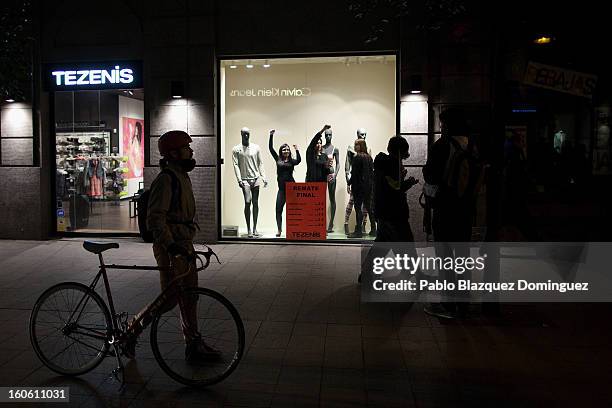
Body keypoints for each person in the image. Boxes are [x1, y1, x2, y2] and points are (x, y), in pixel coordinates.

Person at [124, 130, 219, 362]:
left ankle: (193, 343)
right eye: (187, 147)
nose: (192, 151)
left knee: (190, 296)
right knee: (169, 298)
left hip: (183, 244)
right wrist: (171, 245)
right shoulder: (166, 179)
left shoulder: (181, 176)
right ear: (174, 153)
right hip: (171, 247)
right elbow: (155, 218)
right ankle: (131, 331)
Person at [423, 107, 480, 319]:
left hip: (445, 208)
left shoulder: (443, 145)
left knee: (445, 257)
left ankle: (448, 304)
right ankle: (463, 302)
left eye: (442, 123)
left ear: (447, 124)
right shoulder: (472, 145)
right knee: (462, 256)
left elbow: (431, 175)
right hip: (466, 208)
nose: (440, 127)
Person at [232, 127, 267, 238]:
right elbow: (235, 165)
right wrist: (239, 179)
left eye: (247, 134)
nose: (246, 136)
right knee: (248, 201)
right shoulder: (236, 149)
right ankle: (248, 229)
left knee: (255, 203)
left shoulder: (256, 148)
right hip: (245, 179)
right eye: (244, 134)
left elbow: (260, 163)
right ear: (241, 134)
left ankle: (254, 228)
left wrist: (263, 177)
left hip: (256, 178)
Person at [268, 129, 301, 237]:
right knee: (278, 210)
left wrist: (297, 150)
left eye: (287, 149)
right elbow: (270, 149)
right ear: (281, 151)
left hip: (292, 188)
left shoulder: (292, 161)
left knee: (295, 210)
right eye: (284, 150)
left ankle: (295, 229)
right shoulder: (278, 159)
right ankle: (279, 230)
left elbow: (299, 160)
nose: (286, 151)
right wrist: (271, 136)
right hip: (282, 189)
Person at [344, 128, 375, 236]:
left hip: (358, 186)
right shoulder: (369, 157)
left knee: (358, 208)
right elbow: (372, 173)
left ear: (360, 146)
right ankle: (373, 229)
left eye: (356, 145)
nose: (354, 146)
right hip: (368, 186)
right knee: (369, 207)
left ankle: (358, 231)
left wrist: (349, 183)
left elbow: (354, 173)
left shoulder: (357, 158)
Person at [322, 127, 340, 233]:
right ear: (324, 136)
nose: (328, 136)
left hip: (331, 174)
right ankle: (321, 222)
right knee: (321, 199)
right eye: (326, 135)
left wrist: (335, 175)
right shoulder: (321, 148)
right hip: (322, 174)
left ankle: (331, 223)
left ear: (332, 136)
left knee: (332, 198)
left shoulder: (335, 149)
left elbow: (338, 164)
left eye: (330, 135)